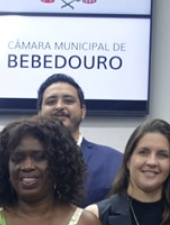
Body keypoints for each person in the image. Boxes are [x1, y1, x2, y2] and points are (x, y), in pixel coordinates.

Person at [36, 73, 122, 205]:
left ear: (83, 111)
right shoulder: (21, 161)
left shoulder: (115, 162)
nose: (59, 106)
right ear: (39, 112)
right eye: (51, 101)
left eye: (68, 101)